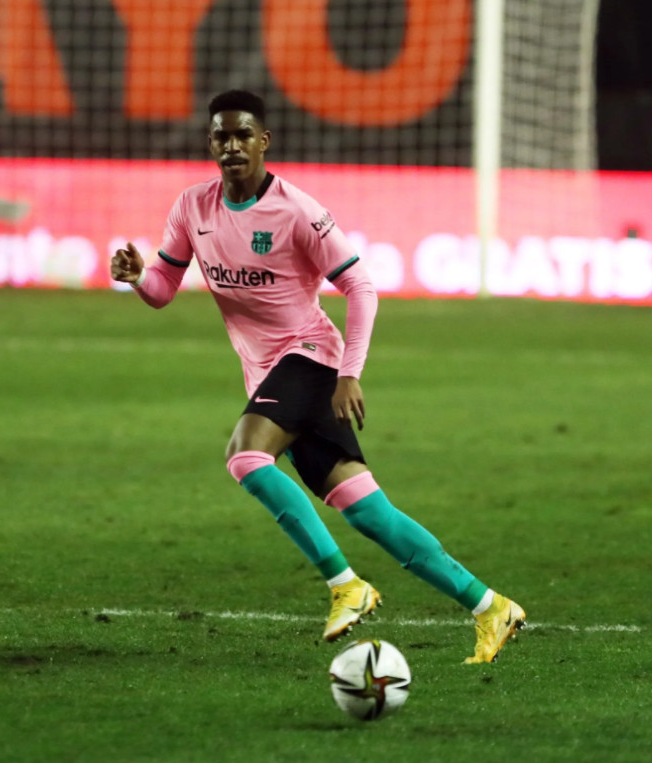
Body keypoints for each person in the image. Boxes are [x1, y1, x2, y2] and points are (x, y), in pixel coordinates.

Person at [109, 90, 526, 664]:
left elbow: (362, 288)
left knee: (246, 457)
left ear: (264, 142)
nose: (231, 145)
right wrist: (135, 277)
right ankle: (490, 607)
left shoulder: (298, 211)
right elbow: (161, 291)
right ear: (211, 144)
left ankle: (345, 585)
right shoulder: (191, 209)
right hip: (269, 372)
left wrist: (349, 373)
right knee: (369, 512)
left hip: (311, 357)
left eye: (242, 134)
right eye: (220, 136)